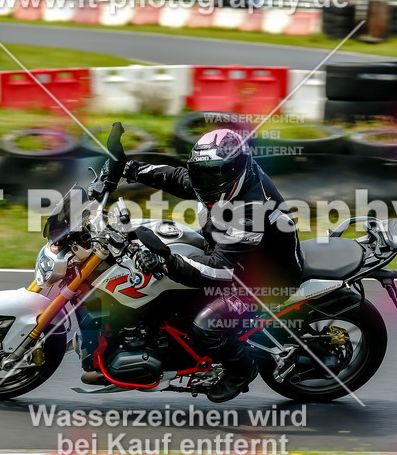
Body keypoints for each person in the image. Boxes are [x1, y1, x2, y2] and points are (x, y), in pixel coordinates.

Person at [87, 128, 304, 402]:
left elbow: (221, 267)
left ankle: (241, 368)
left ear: (234, 170)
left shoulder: (252, 207)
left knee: (205, 325)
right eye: (199, 172)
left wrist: (165, 262)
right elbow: (178, 178)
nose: (202, 181)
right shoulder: (220, 177)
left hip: (264, 279)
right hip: (231, 252)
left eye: (211, 174)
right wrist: (128, 168)